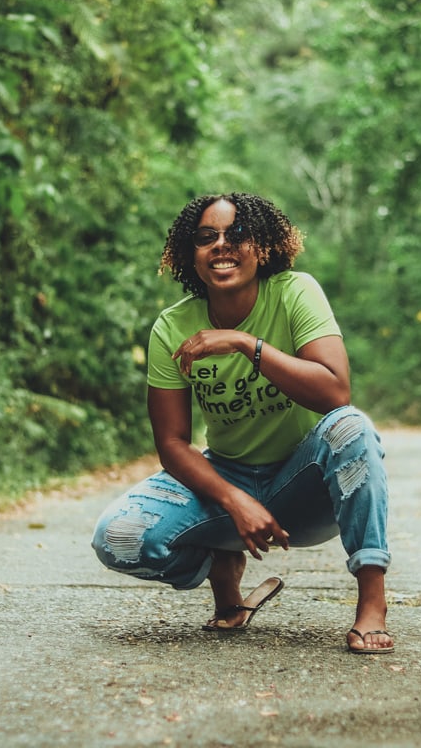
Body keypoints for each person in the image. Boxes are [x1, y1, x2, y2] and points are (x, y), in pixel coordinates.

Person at [91, 192, 393, 654]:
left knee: (351, 425)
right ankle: (221, 565)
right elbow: (172, 444)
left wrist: (244, 344)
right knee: (118, 538)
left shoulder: (295, 292)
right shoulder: (172, 328)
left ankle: (372, 601)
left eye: (237, 234)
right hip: (230, 478)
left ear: (264, 246)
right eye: (206, 237)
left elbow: (335, 392)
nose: (221, 245)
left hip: (306, 483)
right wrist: (233, 500)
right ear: (189, 254)